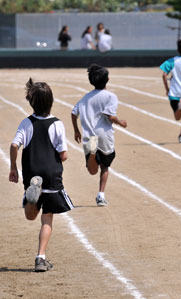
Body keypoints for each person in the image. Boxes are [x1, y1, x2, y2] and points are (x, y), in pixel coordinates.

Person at [9, 79, 73, 272]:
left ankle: (31, 199)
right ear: (51, 101)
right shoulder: (57, 124)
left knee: (30, 215)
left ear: (31, 102)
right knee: (47, 219)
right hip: (51, 175)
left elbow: (14, 145)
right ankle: (40, 257)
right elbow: (64, 154)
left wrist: (13, 167)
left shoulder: (26, 123)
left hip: (32, 172)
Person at [71, 64, 127, 206]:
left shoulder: (85, 98)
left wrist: (76, 130)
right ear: (107, 79)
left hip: (89, 135)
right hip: (104, 134)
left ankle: (93, 154)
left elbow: (73, 113)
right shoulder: (110, 96)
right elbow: (110, 116)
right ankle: (101, 195)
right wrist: (121, 122)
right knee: (105, 166)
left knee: (92, 170)